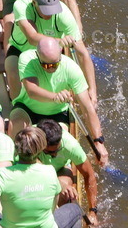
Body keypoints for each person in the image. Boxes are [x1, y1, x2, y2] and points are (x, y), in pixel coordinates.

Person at [9, 37, 107, 166]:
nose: (51, 68)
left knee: (61, 140)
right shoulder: (26, 59)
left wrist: (98, 141)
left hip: (56, 114)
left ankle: (59, 168)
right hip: (27, 108)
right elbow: (32, 91)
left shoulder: (71, 68)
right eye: (46, 65)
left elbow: (87, 108)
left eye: (55, 64)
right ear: (37, 56)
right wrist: (55, 97)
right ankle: (14, 162)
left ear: (60, 54)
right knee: (16, 123)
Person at [5, 0, 97, 105]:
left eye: (52, 9)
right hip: (21, 49)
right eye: (45, 10)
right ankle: (17, 104)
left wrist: (92, 90)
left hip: (49, 54)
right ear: (34, 2)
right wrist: (59, 41)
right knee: (11, 68)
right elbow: (32, 38)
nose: (49, 13)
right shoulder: (21, 5)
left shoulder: (64, 14)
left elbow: (82, 53)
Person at [37, 118, 100, 228]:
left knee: (63, 193)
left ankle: (57, 225)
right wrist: (55, 181)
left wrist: (92, 212)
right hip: (38, 170)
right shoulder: (32, 140)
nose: (55, 155)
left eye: (57, 150)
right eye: (50, 152)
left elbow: (89, 175)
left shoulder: (71, 145)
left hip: (61, 168)